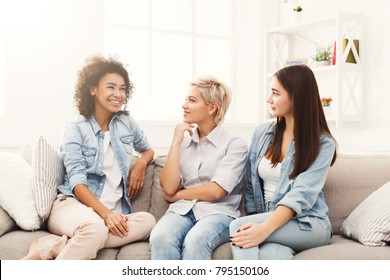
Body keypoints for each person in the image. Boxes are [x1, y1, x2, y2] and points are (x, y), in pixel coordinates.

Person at [22, 55, 156, 260]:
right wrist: (107, 215)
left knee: (148, 221)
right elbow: (77, 183)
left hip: (110, 214)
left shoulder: (126, 122)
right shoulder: (76, 128)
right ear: (93, 89)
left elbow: (147, 150)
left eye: (122, 89)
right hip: (72, 206)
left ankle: (49, 247)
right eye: (111, 87)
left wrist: (140, 164)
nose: (118, 94)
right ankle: (87, 234)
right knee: (95, 228)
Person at [230, 64, 337, 260]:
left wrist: (263, 229)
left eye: (276, 93)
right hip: (270, 217)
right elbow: (251, 183)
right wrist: (258, 222)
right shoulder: (263, 133)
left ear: (297, 96)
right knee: (273, 255)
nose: (269, 99)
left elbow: (301, 194)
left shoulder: (323, 144)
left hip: (308, 222)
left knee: (239, 227)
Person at [149, 76, 248, 260]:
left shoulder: (235, 145)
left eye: (192, 100)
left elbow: (216, 191)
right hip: (182, 211)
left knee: (196, 240)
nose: (184, 105)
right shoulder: (184, 144)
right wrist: (176, 142)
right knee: (160, 236)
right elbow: (168, 188)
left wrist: (178, 195)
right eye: (186, 99)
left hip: (219, 213)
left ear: (212, 107)